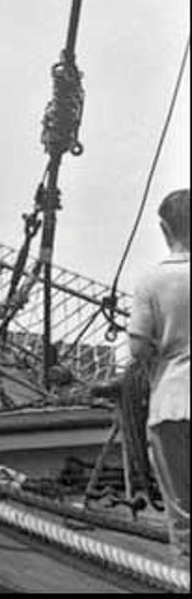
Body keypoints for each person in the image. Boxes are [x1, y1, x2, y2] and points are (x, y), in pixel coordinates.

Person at [128, 188, 189, 567]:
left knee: (184, 519)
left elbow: (138, 349)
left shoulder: (152, 281)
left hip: (171, 404)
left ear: (165, 230)